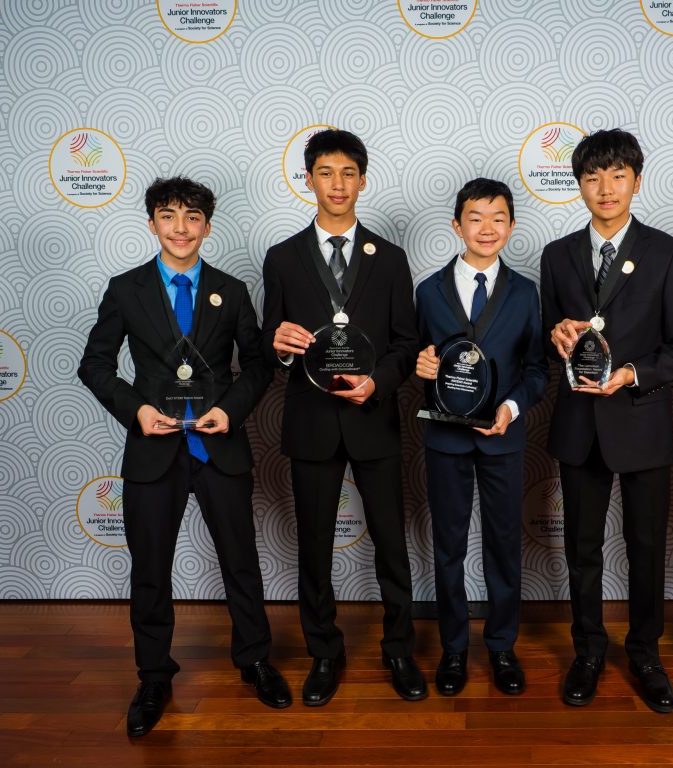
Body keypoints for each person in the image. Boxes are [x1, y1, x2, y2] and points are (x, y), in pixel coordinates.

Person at [78, 177, 290, 737]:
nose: (180, 227)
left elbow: (259, 365)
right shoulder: (126, 290)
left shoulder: (232, 290)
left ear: (207, 227)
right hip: (154, 450)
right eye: (168, 216)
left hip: (219, 446)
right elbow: (94, 364)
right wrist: (137, 411)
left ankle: (255, 660)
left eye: (192, 217)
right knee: (150, 570)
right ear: (152, 224)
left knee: (240, 562)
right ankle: (153, 676)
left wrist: (231, 411)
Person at [540, 129, 673, 711]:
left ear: (636, 181)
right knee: (582, 548)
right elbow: (548, 343)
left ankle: (645, 654)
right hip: (579, 425)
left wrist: (633, 373)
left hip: (641, 421)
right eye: (592, 177)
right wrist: (558, 336)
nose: (605, 188)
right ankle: (588, 651)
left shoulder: (667, 252)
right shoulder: (557, 254)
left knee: (646, 547)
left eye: (617, 176)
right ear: (579, 186)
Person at [260, 129, 426, 705]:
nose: (337, 184)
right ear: (308, 180)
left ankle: (399, 649)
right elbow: (269, 343)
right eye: (326, 173)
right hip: (311, 423)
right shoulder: (282, 258)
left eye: (348, 173)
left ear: (362, 179)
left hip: (372, 418)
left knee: (391, 544)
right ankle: (324, 653)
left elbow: (406, 342)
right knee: (313, 546)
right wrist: (280, 346)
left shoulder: (391, 258)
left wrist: (378, 382)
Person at [414, 178, 548, 696]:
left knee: (504, 544)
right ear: (457, 225)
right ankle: (453, 649)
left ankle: (501, 646)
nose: (486, 228)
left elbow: (536, 369)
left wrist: (511, 408)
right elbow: (415, 359)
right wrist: (420, 367)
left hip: (502, 437)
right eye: (475, 217)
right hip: (445, 438)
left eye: (498, 218)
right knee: (448, 546)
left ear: (511, 227)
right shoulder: (428, 291)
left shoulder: (525, 292)